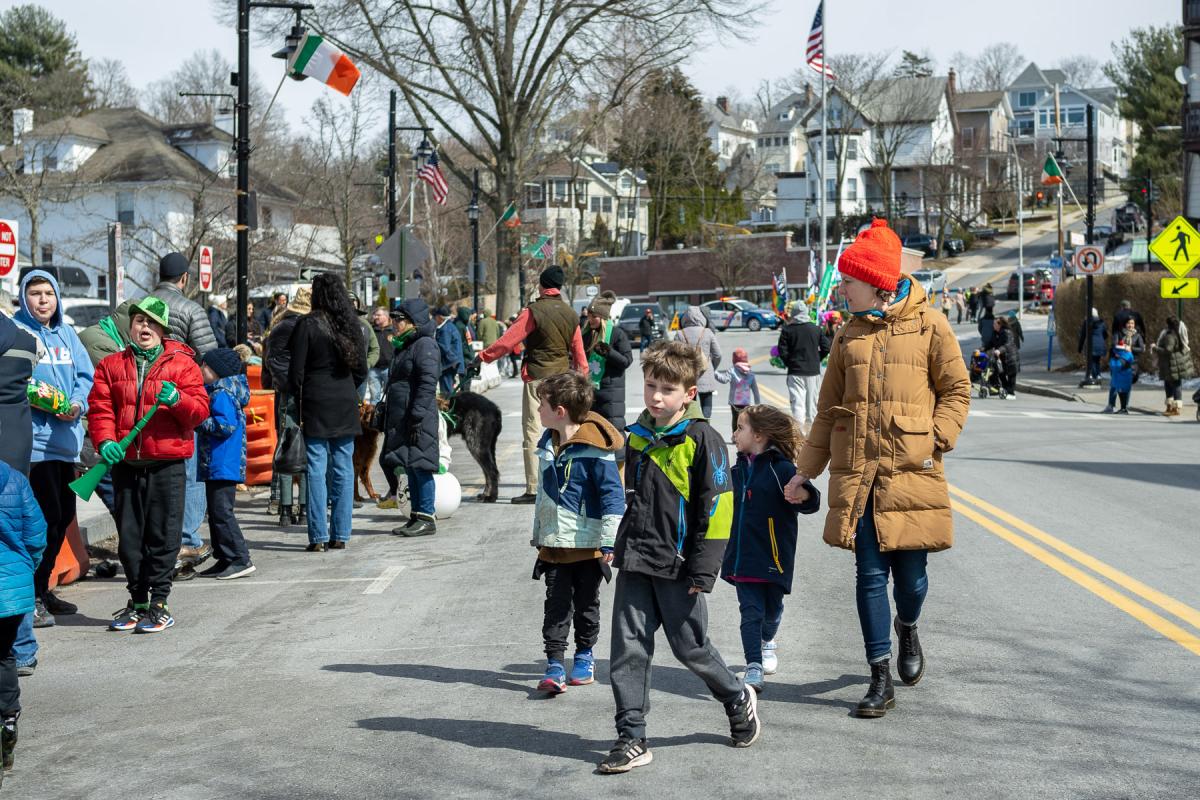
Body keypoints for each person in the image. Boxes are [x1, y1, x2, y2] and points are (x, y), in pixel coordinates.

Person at [783, 218, 970, 719]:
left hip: (912, 473)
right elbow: (827, 411)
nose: (841, 288)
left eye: (848, 280)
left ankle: (907, 627)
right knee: (869, 576)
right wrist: (805, 471)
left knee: (911, 580)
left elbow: (957, 390)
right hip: (859, 474)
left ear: (876, 282)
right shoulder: (847, 336)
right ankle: (878, 676)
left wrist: (936, 437)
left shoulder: (931, 324)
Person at [600, 340, 758, 774]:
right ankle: (631, 736)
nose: (655, 397)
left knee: (692, 649)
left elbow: (718, 508)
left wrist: (704, 569)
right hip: (635, 560)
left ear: (689, 393)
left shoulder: (703, 439)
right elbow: (631, 499)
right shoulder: (636, 435)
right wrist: (612, 543)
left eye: (667, 390)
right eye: (651, 385)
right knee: (628, 649)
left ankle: (735, 695)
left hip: (680, 566)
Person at [89, 297, 210, 633]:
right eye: (140, 321)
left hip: (167, 463)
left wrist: (179, 400)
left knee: (162, 535)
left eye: (152, 324)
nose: (145, 328)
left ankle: (159, 602)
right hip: (125, 464)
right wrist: (106, 441)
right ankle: (137, 601)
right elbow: (100, 410)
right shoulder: (111, 365)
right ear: (130, 326)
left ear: (163, 330)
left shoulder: (183, 365)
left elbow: (200, 411)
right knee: (129, 539)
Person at [530, 372, 624, 694]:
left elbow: (614, 498)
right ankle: (555, 663)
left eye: (541, 404)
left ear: (560, 411)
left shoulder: (596, 450)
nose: (537, 410)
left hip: (588, 546)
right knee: (555, 605)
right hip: (555, 545)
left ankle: (584, 656)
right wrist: (539, 533)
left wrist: (609, 539)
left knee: (586, 604)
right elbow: (544, 497)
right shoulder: (547, 443)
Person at [12, 270, 94, 628]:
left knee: (62, 518)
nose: (43, 300)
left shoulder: (67, 335)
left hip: (66, 442)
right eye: (35, 293)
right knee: (41, 521)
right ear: (24, 298)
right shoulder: (18, 333)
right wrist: (40, 401)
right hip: (34, 445)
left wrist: (77, 404)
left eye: (48, 293)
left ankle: (43, 589)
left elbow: (84, 377)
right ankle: (29, 596)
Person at [721, 405, 820, 692]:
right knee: (750, 610)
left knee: (772, 611)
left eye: (741, 428)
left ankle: (768, 640)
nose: (735, 433)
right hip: (742, 557)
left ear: (760, 435)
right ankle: (753, 665)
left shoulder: (782, 469)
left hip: (774, 557)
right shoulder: (736, 471)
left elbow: (812, 501)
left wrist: (803, 494)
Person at [475, 266, 587, 504]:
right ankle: (566, 484)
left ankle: (535, 488)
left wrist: (483, 356)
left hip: (538, 377)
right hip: (563, 379)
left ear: (542, 286)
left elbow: (508, 341)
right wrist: (581, 379)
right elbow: (579, 354)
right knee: (563, 431)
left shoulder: (534, 311)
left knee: (533, 431)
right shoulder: (571, 313)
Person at [287, 274, 366, 551]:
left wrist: (297, 400)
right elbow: (362, 371)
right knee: (344, 469)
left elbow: (295, 373)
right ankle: (341, 534)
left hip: (315, 401)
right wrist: (346, 388)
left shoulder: (307, 324)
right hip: (344, 400)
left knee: (316, 469)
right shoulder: (350, 324)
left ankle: (318, 536)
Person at [150, 252, 217, 570]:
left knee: (150, 472)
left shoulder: (141, 308)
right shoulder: (192, 309)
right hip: (181, 398)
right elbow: (210, 357)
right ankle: (187, 541)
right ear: (185, 278)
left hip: (145, 397)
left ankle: (156, 540)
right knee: (189, 473)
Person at [0, 456, 46, 787]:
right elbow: (36, 533)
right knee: (4, 655)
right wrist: (26, 570)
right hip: (10, 592)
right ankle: (8, 718)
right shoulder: (14, 478)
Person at [380, 299, 440, 537]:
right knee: (411, 465)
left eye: (399, 319)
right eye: (393, 318)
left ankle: (427, 516)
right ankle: (416, 515)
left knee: (421, 466)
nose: (395, 323)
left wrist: (416, 414)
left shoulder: (425, 345)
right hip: (404, 417)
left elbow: (427, 384)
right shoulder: (406, 344)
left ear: (413, 322)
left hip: (418, 417)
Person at [195, 348, 254, 580]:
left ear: (215, 371)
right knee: (216, 512)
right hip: (218, 462)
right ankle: (224, 557)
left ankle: (240, 557)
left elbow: (225, 426)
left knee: (222, 512)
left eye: (204, 366)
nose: (200, 370)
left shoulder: (221, 393)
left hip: (223, 462)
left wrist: (198, 421)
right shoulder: (219, 390)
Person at [264, 288, 311, 523]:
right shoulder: (308, 327)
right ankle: (301, 508)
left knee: (287, 445)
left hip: (286, 393)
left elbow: (271, 362)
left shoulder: (279, 328)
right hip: (302, 394)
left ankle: (285, 508)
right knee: (304, 447)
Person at [580, 291, 632, 432]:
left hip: (611, 392)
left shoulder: (617, 334)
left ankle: (621, 455)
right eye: (589, 316)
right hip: (591, 391)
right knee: (594, 431)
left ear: (603, 317)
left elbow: (626, 361)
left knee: (614, 430)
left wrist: (609, 352)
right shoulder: (586, 335)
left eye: (594, 316)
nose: (590, 319)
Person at [777, 300, 830, 435]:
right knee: (812, 402)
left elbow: (782, 351)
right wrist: (817, 358)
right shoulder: (815, 329)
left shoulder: (787, 330)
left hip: (795, 370)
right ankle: (813, 433)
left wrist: (789, 362)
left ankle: (799, 433)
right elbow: (826, 347)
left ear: (793, 314)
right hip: (813, 371)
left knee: (797, 403)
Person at [674, 306, 722, 418]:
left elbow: (674, 357)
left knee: (690, 407)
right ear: (701, 317)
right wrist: (712, 367)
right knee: (707, 406)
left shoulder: (680, 334)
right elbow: (718, 354)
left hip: (687, 376)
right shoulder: (708, 332)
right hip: (705, 373)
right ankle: (706, 427)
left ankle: (692, 430)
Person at [714, 348, 760, 434]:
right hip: (745, 402)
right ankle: (744, 435)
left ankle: (735, 436)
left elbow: (724, 380)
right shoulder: (750, 372)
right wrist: (758, 404)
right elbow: (755, 390)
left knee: (735, 419)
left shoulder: (732, 370)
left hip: (734, 402)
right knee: (745, 420)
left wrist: (714, 372)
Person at [1152, 316, 1193, 417]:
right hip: (1175, 363)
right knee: (1174, 384)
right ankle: (1172, 406)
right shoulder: (1179, 333)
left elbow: (1168, 350)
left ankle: (1175, 408)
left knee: (1173, 385)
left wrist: (1155, 348)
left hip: (1171, 364)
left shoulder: (1170, 336)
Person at [433, 306, 465, 396]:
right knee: (448, 387)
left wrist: (432, 343)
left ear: (439, 317)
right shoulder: (449, 326)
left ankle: (448, 407)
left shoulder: (445, 329)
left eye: (435, 317)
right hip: (452, 361)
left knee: (446, 390)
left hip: (448, 363)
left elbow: (444, 347)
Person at [1104, 336, 1135, 414]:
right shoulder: (1128, 354)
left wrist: (1113, 359)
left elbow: (1116, 367)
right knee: (1122, 393)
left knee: (1122, 393)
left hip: (1121, 377)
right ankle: (1123, 408)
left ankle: (1123, 409)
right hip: (1125, 376)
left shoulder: (1121, 356)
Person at [991, 316, 1020, 399]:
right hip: (1003, 358)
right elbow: (990, 343)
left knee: (1011, 376)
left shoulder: (1007, 332)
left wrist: (999, 350)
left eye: (995, 323)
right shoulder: (996, 333)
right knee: (1001, 374)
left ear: (1000, 325)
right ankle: (1007, 390)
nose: (993, 325)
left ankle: (1011, 394)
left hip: (1011, 357)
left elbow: (1007, 344)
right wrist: (980, 349)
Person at [1077, 308, 1108, 383]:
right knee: (1097, 361)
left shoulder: (1087, 322)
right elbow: (1106, 334)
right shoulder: (1102, 323)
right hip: (1100, 344)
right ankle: (1098, 375)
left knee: (1092, 361)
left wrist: (1080, 348)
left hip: (1091, 345)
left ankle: (1094, 377)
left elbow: (1083, 336)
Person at [976, 284, 996, 349]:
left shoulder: (982, 320)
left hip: (984, 338)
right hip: (990, 304)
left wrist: (983, 333)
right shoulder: (995, 320)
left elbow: (979, 329)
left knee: (981, 311)